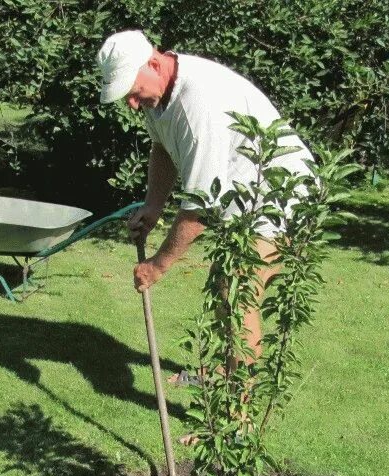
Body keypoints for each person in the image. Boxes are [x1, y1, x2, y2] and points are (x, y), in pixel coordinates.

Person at [96, 30, 315, 362]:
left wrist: (157, 265)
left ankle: (240, 410)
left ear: (154, 63)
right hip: (244, 197)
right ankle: (227, 385)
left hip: (282, 196)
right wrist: (153, 205)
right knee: (226, 291)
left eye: (133, 90)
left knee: (239, 293)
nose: (131, 102)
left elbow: (201, 208)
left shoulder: (196, 101)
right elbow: (162, 149)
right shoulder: (158, 97)